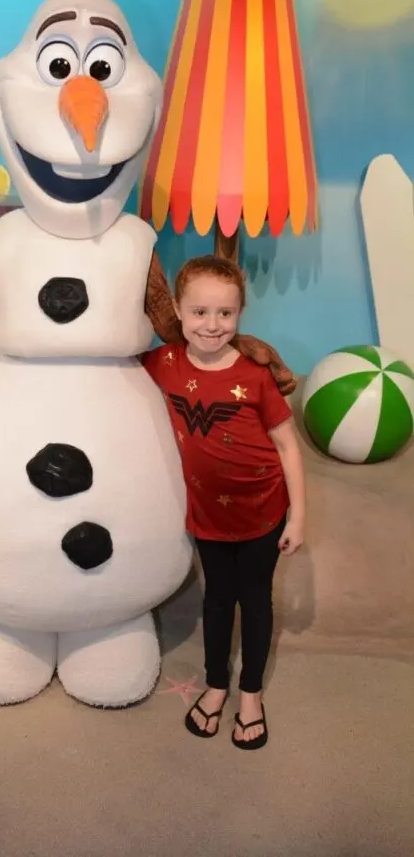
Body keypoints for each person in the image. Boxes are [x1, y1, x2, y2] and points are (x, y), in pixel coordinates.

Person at [141, 255, 306, 750]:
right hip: (208, 517)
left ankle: (250, 693)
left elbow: (287, 446)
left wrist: (299, 514)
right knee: (217, 599)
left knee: (255, 602)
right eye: (200, 313)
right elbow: (113, 373)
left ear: (240, 313)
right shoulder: (163, 363)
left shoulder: (254, 376)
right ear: (177, 309)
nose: (212, 326)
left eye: (226, 314)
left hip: (262, 513)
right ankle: (217, 685)